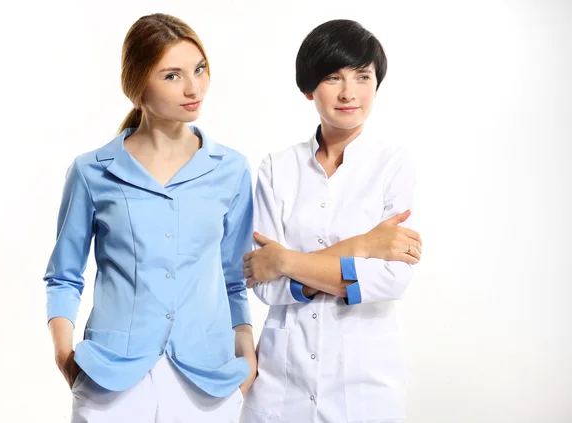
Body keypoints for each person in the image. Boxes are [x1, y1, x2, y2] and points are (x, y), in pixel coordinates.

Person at [44, 13, 256, 423]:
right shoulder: (92, 171)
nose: (194, 87)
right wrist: (64, 354)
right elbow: (64, 275)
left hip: (207, 381)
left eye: (199, 69)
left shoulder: (231, 170)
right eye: (172, 76)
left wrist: (245, 351)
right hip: (111, 379)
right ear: (138, 84)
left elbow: (235, 276)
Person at [240, 19, 422, 423]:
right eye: (333, 77)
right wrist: (363, 247)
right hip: (280, 384)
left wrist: (286, 261)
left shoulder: (393, 166)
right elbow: (265, 286)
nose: (349, 93)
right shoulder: (276, 168)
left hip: (363, 386)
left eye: (362, 77)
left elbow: (391, 278)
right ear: (309, 88)